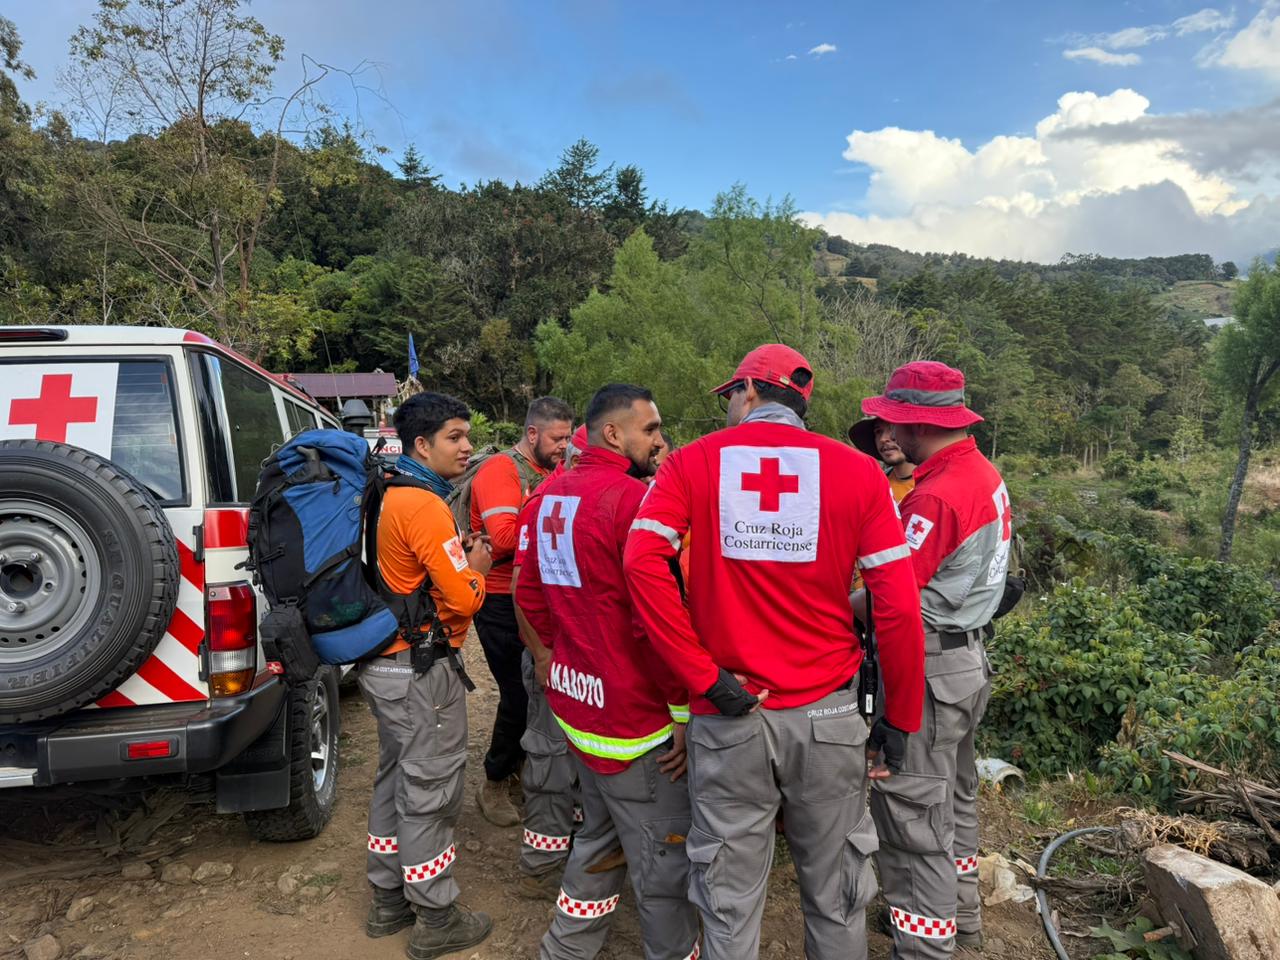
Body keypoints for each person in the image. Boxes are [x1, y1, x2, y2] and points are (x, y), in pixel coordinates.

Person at [623, 345, 926, 960]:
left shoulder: (692, 463)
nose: (729, 406)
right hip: (830, 720)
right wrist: (901, 719)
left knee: (728, 904)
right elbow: (896, 606)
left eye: (731, 395)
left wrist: (701, 676)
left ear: (752, 392)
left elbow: (641, 562)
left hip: (731, 717)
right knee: (838, 896)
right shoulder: (861, 472)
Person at [517, 384, 699, 960]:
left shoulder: (546, 497)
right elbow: (654, 624)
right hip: (636, 722)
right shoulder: (634, 503)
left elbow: (527, 593)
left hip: (578, 709)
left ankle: (564, 951)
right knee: (664, 870)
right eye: (651, 429)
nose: (661, 440)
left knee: (596, 839)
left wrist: (551, 658)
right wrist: (681, 712)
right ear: (614, 433)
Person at [855, 361, 1011, 957]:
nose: (891, 433)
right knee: (953, 799)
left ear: (920, 422)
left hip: (928, 668)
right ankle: (962, 919)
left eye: (896, 421)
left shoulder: (937, 496)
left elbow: (892, 598)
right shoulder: (981, 472)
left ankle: (923, 946)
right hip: (966, 665)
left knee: (912, 812)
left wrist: (832, 607)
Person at [362, 391, 495, 960]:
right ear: (422, 443)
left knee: (396, 777)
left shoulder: (382, 492)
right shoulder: (423, 504)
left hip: (382, 662)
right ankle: (436, 916)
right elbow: (464, 598)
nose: (467, 448)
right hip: (420, 671)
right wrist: (479, 569)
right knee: (430, 789)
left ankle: (387, 898)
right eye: (455, 437)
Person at [470, 397, 575, 826]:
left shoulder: (548, 472)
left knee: (539, 691)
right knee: (517, 693)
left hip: (537, 596)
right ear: (532, 434)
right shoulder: (501, 471)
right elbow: (505, 538)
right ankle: (493, 781)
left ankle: (522, 767)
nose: (564, 447)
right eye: (557, 438)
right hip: (498, 600)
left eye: (569, 438)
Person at [508, 425, 590, 897]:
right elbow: (523, 589)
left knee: (582, 758)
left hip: (586, 660)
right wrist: (541, 654)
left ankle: (576, 847)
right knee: (549, 759)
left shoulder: (590, 497)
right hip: (553, 657)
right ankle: (541, 865)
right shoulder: (547, 503)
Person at [849, 416, 917, 503]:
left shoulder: (933, 486)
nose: (883, 439)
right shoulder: (874, 487)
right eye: (878, 432)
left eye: (893, 429)